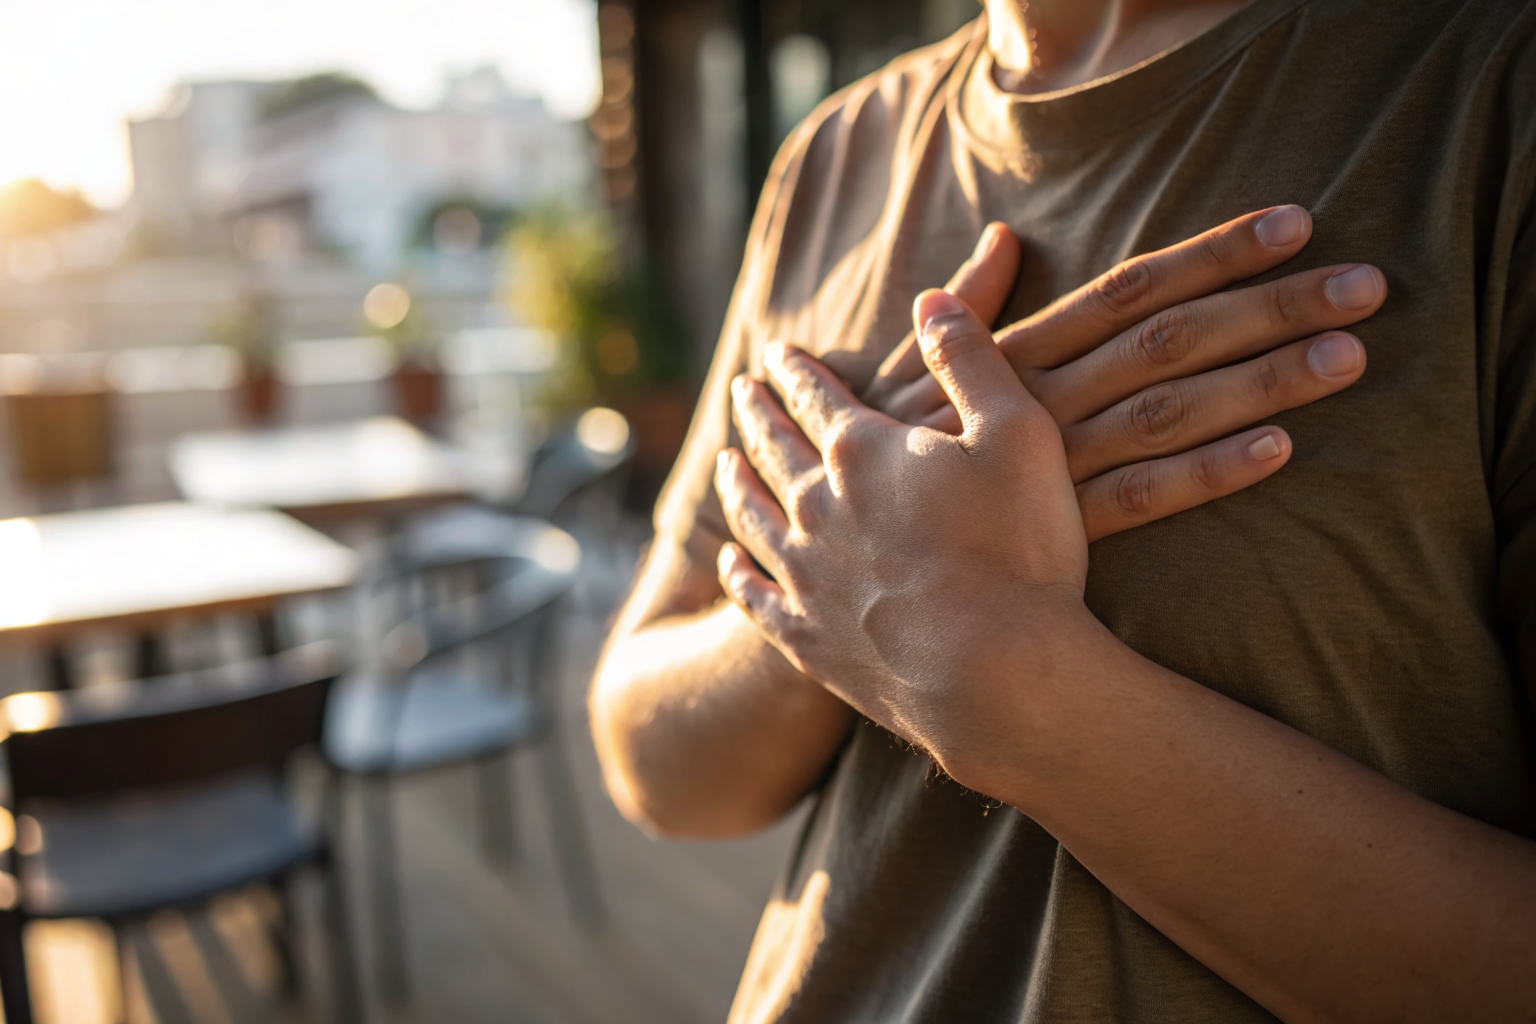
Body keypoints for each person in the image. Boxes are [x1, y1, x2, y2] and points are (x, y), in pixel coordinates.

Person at [589, 0, 1536, 1020]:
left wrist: (1011, 679)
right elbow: (652, 757)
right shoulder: (838, 152)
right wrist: (847, 569)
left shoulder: (1488, 95)